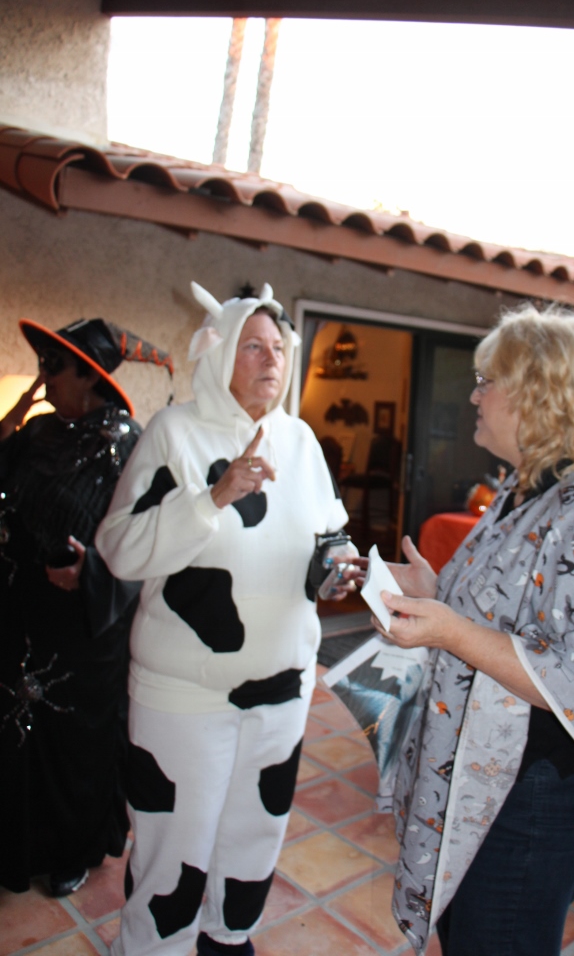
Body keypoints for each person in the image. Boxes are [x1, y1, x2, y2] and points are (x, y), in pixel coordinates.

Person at [363, 304, 574, 956]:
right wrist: (434, 594)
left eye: (486, 380)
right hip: (491, 785)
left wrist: (448, 631)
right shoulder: (525, 491)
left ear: (539, 393)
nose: (473, 394)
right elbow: (522, 619)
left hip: (525, 807)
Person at [95, 282, 349, 956]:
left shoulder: (300, 442)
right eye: (252, 347)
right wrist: (212, 496)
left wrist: (342, 563)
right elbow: (118, 548)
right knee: (174, 841)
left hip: (282, 692)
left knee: (253, 837)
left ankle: (228, 940)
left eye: (278, 349)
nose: (270, 361)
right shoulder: (173, 433)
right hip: (185, 696)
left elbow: (331, 534)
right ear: (217, 355)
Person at [0, 315, 172, 897]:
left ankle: (73, 849)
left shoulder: (131, 448)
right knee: (22, 734)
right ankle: (21, 847)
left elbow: (149, 542)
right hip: (23, 612)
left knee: (76, 745)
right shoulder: (37, 433)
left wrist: (92, 573)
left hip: (87, 626)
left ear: (88, 376)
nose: (44, 377)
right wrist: (16, 414)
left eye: (53, 367)